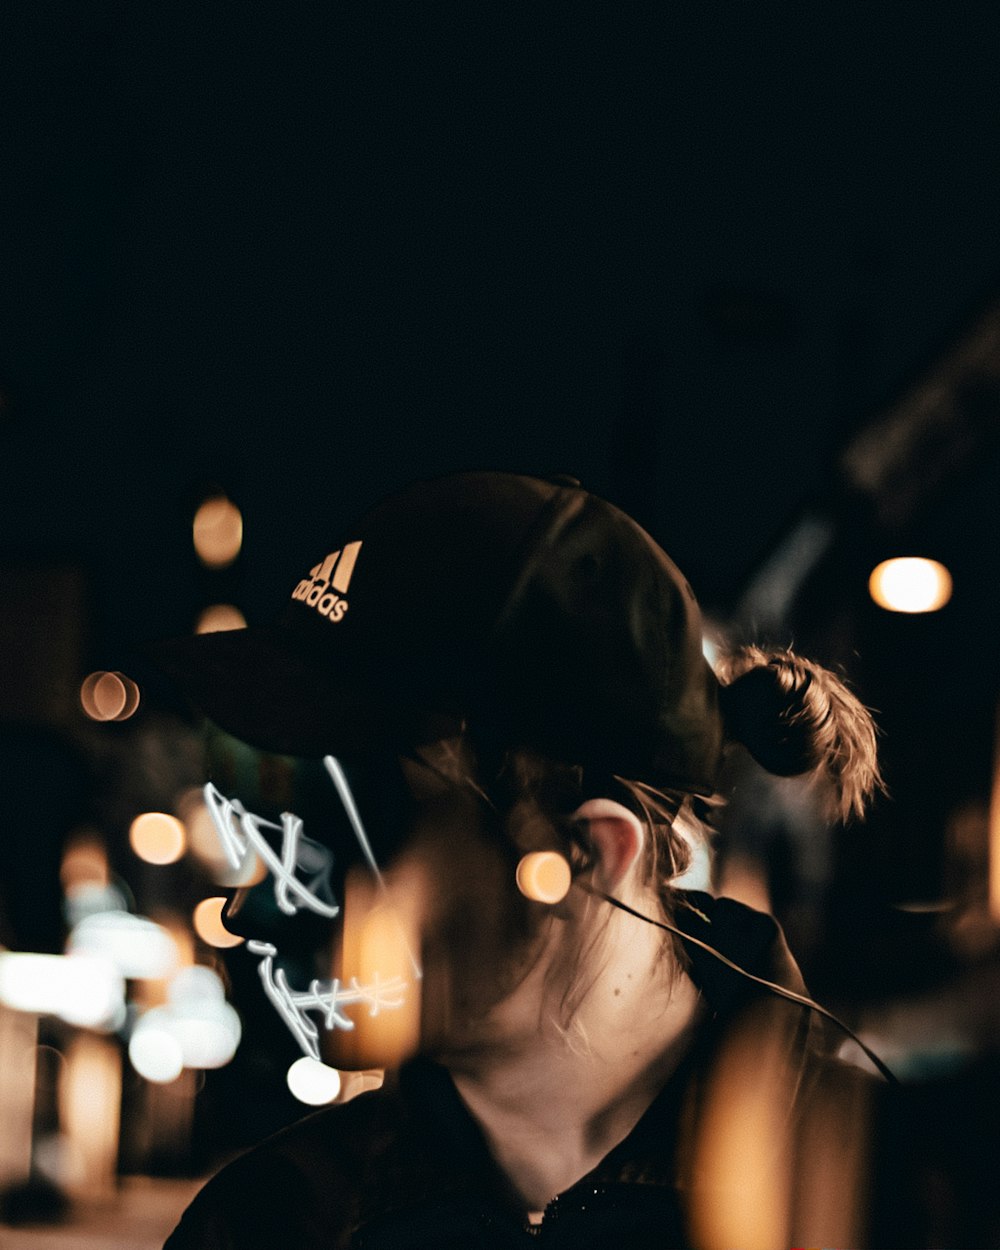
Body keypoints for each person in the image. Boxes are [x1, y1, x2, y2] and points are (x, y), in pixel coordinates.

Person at [153, 470, 886, 1249]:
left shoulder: (888, 1210)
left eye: (353, 818)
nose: (246, 909)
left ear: (589, 854)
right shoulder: (267, 1227)